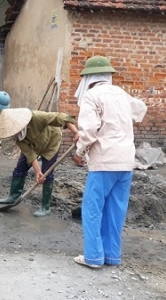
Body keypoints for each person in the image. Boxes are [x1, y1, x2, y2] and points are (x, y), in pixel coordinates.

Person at [72, 55, 147, 268]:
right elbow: (141, 109)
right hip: (125, 162)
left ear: (87, 78)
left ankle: (94, 257)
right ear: (108, 75)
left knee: (93, 209)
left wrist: (79, 151)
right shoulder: (122, 94)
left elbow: (88, 132)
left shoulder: (91, 96)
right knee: (115, 210)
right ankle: (112, 256)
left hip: (104, 162)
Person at [0, 108, 79, 217]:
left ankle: (45, 206)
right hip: (33, 147)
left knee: (47, 173)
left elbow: (61, 117)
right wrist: (37, 171)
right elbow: (30, 154)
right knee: (20, 168)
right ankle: (14, 196)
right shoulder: (17, 137)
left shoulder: (36, 117)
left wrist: (75, 132)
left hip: (51, 143)